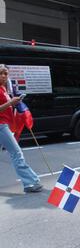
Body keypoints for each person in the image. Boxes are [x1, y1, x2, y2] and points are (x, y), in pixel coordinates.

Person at [0, 64, 43, 193]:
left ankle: (31, 182)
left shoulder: (4, 88)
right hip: (1, 125)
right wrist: (11, 102)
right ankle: (31, 182)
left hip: (5, 124)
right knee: (17, 153)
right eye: (1, 73)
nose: (3, 76)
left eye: (5, 73)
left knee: (16, 153)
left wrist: (15, 103)